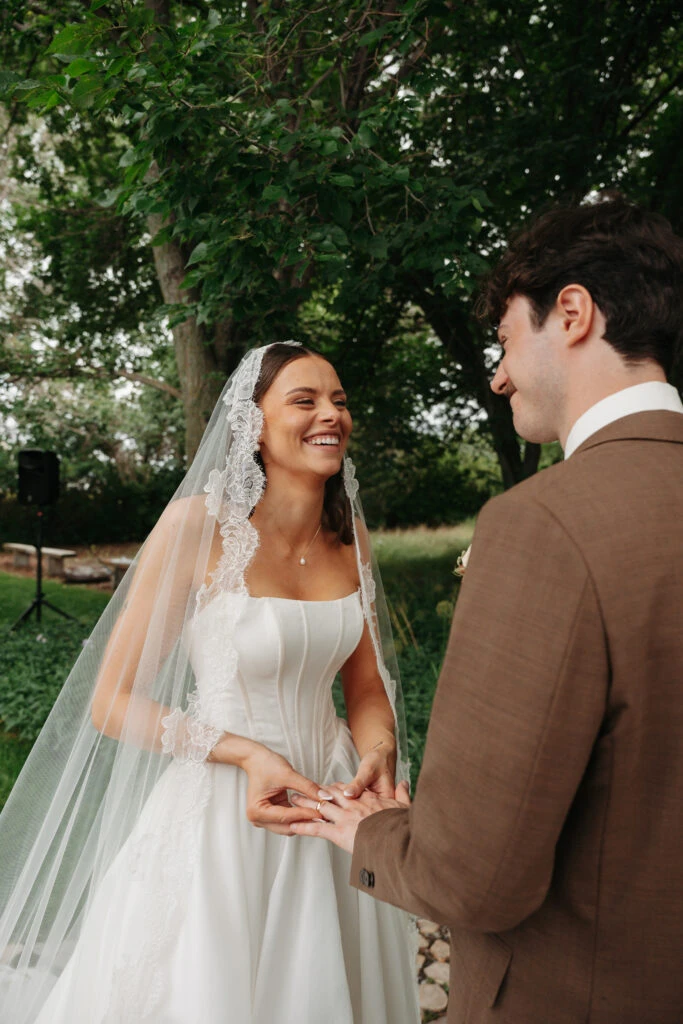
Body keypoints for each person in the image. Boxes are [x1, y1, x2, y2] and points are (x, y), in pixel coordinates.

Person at [290, 196, 683, 1023]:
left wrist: (374, 833)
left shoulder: (543, 524)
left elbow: (476, 877)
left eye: (505, 341)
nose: (497, 374)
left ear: (571, 313)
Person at [0, 342, 420, 1024]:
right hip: (223, 811)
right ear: (251, 423)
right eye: (305, 400)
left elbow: (366, 689)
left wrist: (377, 753)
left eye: (339, 401)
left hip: (331, 807)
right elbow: (112, 702)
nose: (331, 416)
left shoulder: (351, 540)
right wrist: (247, 753)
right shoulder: (197, 526)